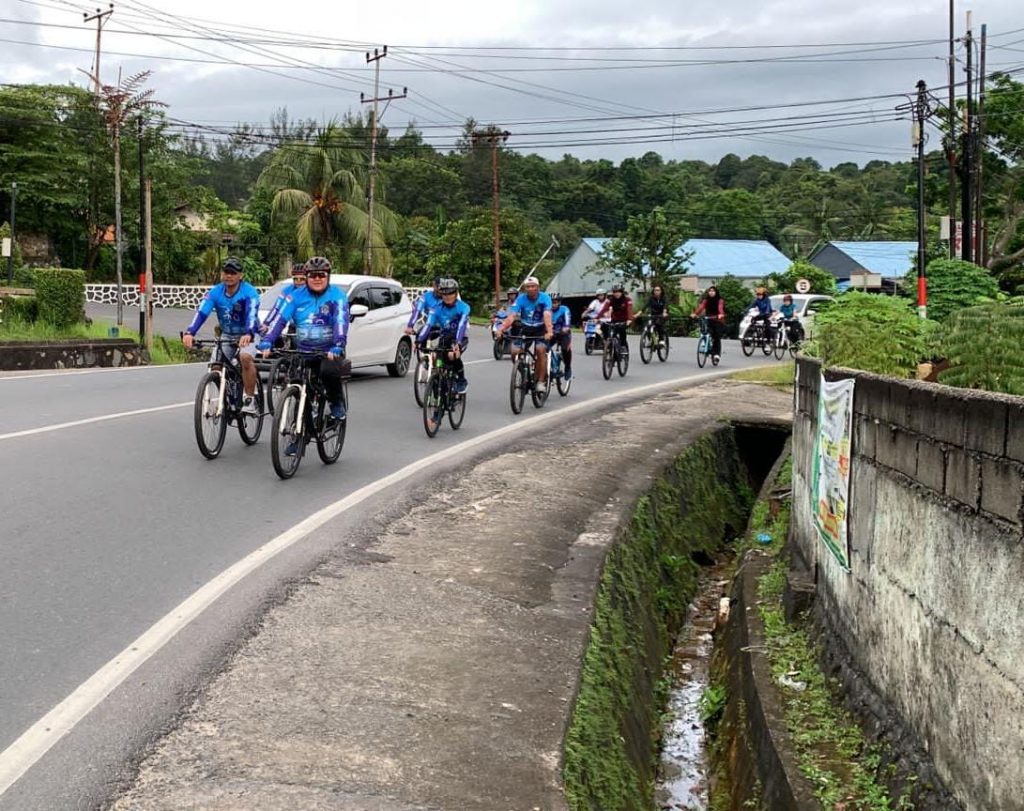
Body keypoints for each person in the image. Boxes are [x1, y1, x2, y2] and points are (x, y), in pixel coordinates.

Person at [258, 256, 349, 424]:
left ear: (328, 276)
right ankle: (298, 434)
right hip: (303, 350)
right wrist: (268, 340)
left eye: (321, 275)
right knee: (299, 387)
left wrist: (338, 343)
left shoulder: (337, 296)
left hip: (328, 350)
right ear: (306, 277)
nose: (317, 279)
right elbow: (280, 319)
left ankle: (336, 404)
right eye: (312, 275)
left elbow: (341, 320)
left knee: (328, 373)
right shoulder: (295, 296)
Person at [182, 256, 261, 414]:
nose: (229, 276)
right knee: (215, 367)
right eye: (226, 272)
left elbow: (252, 314)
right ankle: (227, 394)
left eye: (233, 273)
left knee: (245, 358)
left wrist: (248, 333)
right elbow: (202, 312)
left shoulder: (249, 292)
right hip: (227, 334)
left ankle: (250, 398)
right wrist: (190, 332)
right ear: (222, 274)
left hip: (249, 333)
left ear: (240, 275)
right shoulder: (216, 292)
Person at [495, 276, 554, 392]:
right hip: (526, 327)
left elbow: (547, 315)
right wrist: (501, 329)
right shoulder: (521, 299)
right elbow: (511, 316)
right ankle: (524, 374)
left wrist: (549, 331)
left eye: (533, 286)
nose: (530, 289)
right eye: (528, 287)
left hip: (541, 328)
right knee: (514, 352)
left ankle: (541, 381)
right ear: (525, 289)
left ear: (538, 287)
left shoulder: (545, 298)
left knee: (540, 350)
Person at [418, 277, 471, 394]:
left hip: (460, 336)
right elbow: (428, 325)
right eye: (444, 293)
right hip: (445, 337)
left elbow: (462, 325)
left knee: (452, 355)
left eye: (450, 293)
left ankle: (461, 379)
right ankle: (440, 388)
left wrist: (457, 342)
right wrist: (418, 340)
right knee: (437, 359)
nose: (447, 296)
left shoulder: (463, 307)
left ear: (456, 293)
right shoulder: (436, 309)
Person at [260, 262, 307, 343]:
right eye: (296, 279)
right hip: (293, 327)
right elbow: (277, 308)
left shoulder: (313, 291)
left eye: (302, 279)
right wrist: (266, 323)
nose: (299, 282)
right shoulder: (287, 291)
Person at [692, 285, 726, 363]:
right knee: (705, 331)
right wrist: (695, 314)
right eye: (710, 291)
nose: (711, 292)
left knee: (716, 336)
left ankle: (717, 354)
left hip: (718, 320)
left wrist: (721, 314)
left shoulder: (719, 300)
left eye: (713, 291)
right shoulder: (706, 300)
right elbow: (701, 307)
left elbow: (720, 308)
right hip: (709, 319)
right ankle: (705, 345)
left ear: (716, 292)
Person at [595, 282, 634, 350]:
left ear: (622, 292)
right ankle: (608, 344)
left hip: (624, 320)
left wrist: (629, 319)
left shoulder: (627, 300)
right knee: (605, 327)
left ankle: (623, 346)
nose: (617, 293)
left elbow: (629, 310)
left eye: (619, 291)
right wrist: (597, 318)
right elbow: (604, 309)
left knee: (622, 330)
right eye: (615, 292)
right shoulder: (610, 299)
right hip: (614, 320)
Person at [549, 291, 573, 381]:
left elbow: (567, 321)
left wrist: (565, 328)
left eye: (555, 302)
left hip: (563, 333)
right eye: (551, 302)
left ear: (559, 302)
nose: (553, 304)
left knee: (565, 349)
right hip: (551, 333)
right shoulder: (546, 310)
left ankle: (568, 367)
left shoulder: (564, 309)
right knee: (542, 348)